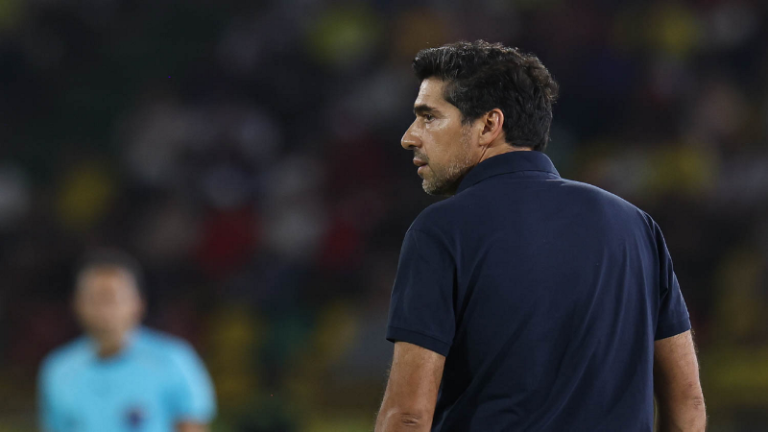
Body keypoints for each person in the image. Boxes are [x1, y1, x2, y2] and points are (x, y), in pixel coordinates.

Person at [374, 41, 706, 432]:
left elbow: (409, 416)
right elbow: (688, 404)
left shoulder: (442, 231)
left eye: (429, 117)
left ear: (488, 125)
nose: (410, 137)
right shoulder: (636, 225)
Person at [38, 249, 216, 432]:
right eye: (94, 298)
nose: (103, 308)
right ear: (76, 304)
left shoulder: (173, 360)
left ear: (137, 303)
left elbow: (193, 425)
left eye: (112, 298)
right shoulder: (58, 370)